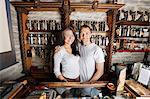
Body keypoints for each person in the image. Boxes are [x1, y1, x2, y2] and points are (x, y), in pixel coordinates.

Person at [79, 25, 105, 97]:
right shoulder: (78, 47)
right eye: (82, 33)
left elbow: (100, 71)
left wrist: (89, 84)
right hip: (78, 85)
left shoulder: (96, 49)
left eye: (87, 33)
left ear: (91, 34)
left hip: (90, 87)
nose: (84, 36)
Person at [53, 28, 80, 95]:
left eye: (72, 35)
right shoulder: (59, 51)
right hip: (67, 80)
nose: (70, 37)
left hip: (78, 80)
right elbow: (56, 70)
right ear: (63, 37)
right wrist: (64, 81)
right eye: (67, 35)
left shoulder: (76, 47)